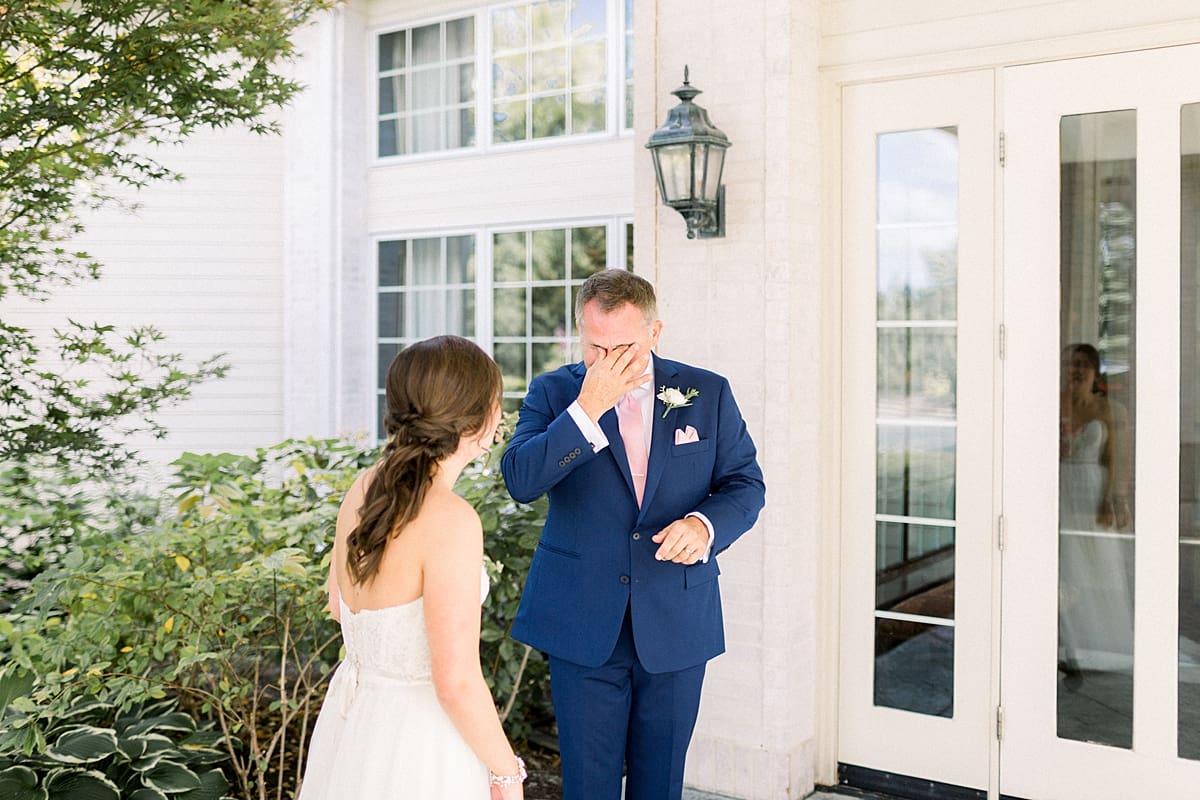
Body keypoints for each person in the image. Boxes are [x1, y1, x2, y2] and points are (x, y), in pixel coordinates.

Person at [501, 270, 765, 800]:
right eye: (595, 345)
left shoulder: (707, 392)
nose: (608, 360)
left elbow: (745, 484)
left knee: (660, 782)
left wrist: (703, 524)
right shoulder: (554, 392)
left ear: (654, 332)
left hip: (675, 616)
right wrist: (587, 407)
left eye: (622, 346)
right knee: (588, 784)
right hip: (582, 617)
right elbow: (521, 481)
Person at [299, 335, 525, 800]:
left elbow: (340, 607)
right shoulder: (452, 521)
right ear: (478, 415)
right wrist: (507, 773)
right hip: (422, 744)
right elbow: (456, 682)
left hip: (356, 724)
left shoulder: (364, 487)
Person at [1057, 342, 1134, 678]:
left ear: (1095, 371)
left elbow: (1118, 459)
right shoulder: (1049, 401)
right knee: (1066, 566)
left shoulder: (1110, 410)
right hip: (1058, 492)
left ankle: (1102, 644)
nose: (1075, 370)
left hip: (1092, 491)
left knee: (1099, 565)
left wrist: (1114, 497)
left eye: (1083, 364)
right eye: (1070, 363)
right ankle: (1066, 645)